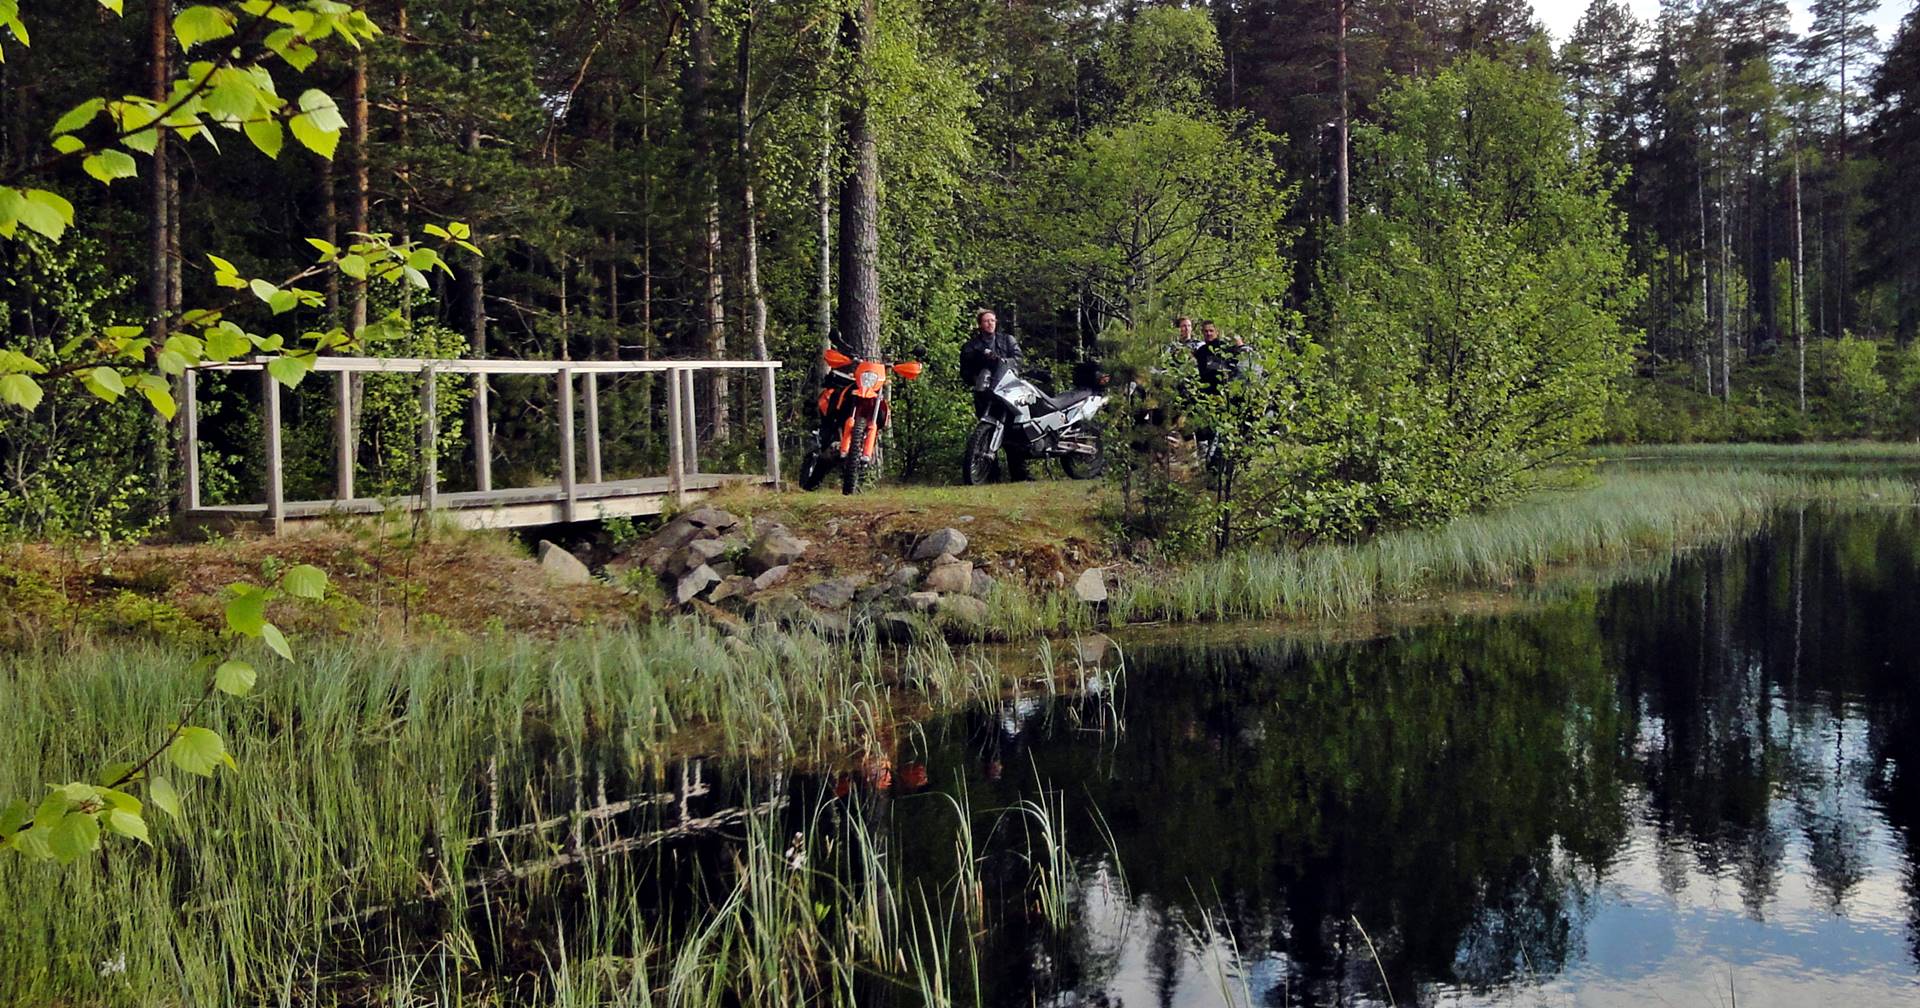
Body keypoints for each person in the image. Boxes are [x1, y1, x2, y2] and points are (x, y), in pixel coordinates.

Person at [960, 309, 1020, 416]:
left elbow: (1018, 360)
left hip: (1007, 388)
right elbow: (965, 370)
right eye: (986, 321)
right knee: (985, 420)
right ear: (980, 324)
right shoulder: (971, 346)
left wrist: (1001, 361)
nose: (990, 323)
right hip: (984, 390)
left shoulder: (1007, 340)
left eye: (992, 320)